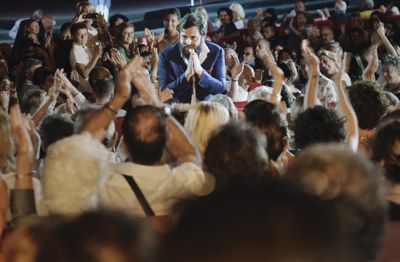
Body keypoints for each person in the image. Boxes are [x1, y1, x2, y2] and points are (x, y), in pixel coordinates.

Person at [158, 13, 226, 103]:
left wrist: (200, 72)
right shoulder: (165, 55)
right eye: (184, 37)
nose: (188, 42)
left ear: (203, 36)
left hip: (207, 109)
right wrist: (187, 74)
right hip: (178, 110)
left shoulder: (216, 51)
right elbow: (165, 92)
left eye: (193, 37)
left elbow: (220, 88)